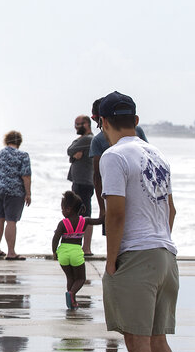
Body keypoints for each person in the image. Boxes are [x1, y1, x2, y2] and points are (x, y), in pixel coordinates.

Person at [97, 91, 188, 352]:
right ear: (135, 120)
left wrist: (111, 258)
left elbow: (115, 212)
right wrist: (158, 240)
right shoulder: (158, 154)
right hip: (165, 254)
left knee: (136, 340)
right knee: (157, 338)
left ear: (103, 123)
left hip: (136, 255)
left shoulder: (113, 155)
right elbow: (172, 210)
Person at [90, 97, 147, 232]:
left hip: (113, 192)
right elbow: (146, 161)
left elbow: (98, 177)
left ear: (101, 119)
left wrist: (103, 209)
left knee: (115, 230)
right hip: (138, 193)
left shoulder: (97, 141)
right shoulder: (137, 132)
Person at [51, 190, 102, 309]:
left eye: (62, 208)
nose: (62, 211)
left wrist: (54, 252)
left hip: (63, 253)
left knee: (70, 277)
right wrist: (105, 210)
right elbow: (100, 221)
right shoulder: (85, 221)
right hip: (76, 253)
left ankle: (72, 301)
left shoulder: (62, 223)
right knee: (80, 278)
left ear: (68, 209)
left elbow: (55, 238)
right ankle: (72, 294)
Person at [0, 131, 31, 260]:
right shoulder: (22, 155)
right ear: (19, 142)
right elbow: (26, 175)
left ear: (6, 140)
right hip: (14, 191)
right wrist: (28, 193)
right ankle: (11, 252)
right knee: (11, 221)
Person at [66, 115, 95, 255]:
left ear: (87, 124)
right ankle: (81, 246)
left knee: (85, 215)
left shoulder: (88, 139)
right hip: (79, 181)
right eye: (75, 124)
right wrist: (73, 156)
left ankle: (86, 248)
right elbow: (72, 155)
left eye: (80, 124)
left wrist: (73, 154)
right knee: (78, 214)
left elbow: (69, 150)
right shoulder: (83, 140)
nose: (77, 127)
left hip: (84, 182)